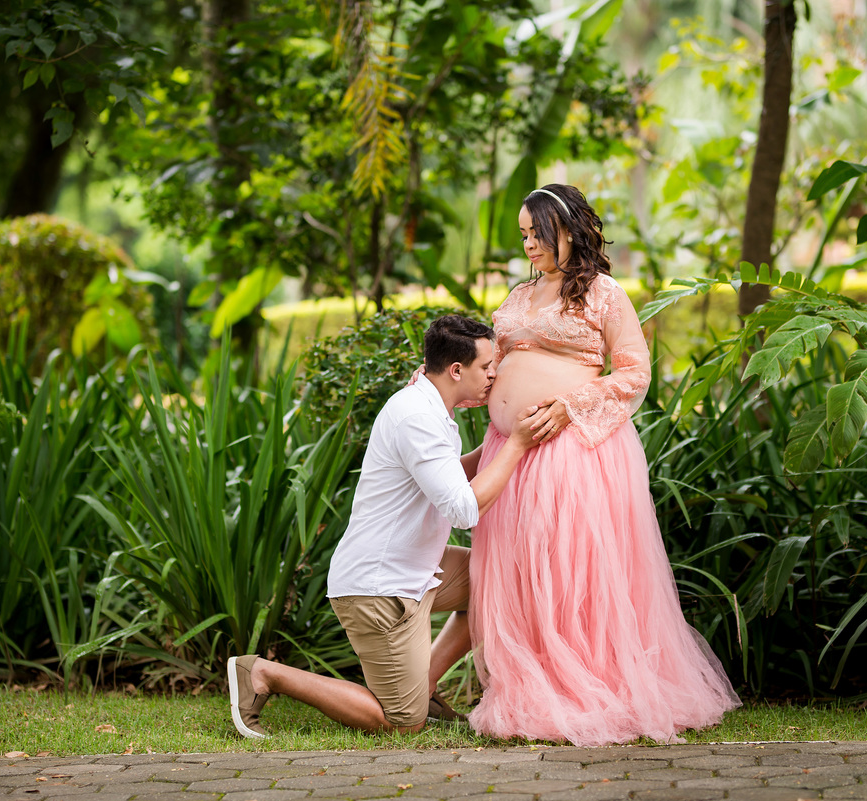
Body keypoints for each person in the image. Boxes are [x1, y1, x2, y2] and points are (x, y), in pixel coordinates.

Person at [467, 184, 741, 746]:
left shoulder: (603, 293)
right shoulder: (519, 295)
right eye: (523, 236)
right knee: (522, 569)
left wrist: (569, 406)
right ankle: (532, 681)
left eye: (536, 234)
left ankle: (585, 684)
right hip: (510, 451)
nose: (529, 246)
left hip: (574, 449)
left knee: (569, 569)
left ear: (568, 230)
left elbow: (634, 373)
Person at [227, 314, 543, 737]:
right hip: (378, 588)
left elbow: (447, 477)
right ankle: (263, 673)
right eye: (486, 368)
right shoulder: (417, 417)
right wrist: (518, 445)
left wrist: (496, 446)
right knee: (400, 722)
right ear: (456, 371)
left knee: (496, 578)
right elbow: (463, 510)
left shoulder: (429, 407)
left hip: (414, 569)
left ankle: (424, 685)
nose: (493, 376)